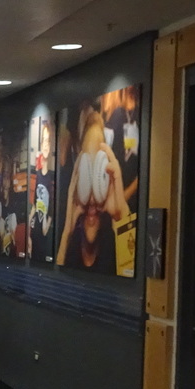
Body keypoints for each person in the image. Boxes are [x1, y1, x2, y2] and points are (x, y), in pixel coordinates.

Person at [56, 107, 129, 273]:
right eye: (87, 179)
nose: (91, 200)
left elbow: (131, 271)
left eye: (98, 176)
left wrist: (121, 213)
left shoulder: (114, 252)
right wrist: (68, 229)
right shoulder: (70, 252)